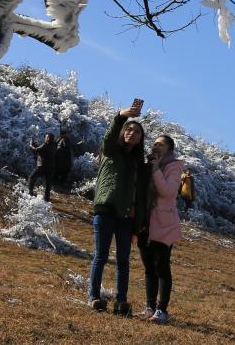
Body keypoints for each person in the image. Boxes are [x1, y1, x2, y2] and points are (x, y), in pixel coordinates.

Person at [89, 101, 145, 316]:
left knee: (123, 260)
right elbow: (110, 135)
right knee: (100, 256)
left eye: (137, 132)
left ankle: (121, 301)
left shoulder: (136, 161)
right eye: (129, 130)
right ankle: (94, 297)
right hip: (105, 209)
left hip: (125, 215)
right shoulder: (111, 150)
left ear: (141, 139)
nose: (132, 133)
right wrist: (121, 116)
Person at [135, 134, 183, 324]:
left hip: (164, 223)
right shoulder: (148, 163)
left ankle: (162, 310)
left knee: (161, 266)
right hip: (145, 222)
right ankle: (149, 307)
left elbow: (168, 192)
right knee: (148, 268)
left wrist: (155, 169)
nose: (156, 146)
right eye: (154, 143)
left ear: (169, 149)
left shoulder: (174, 167)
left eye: (161, 144)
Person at [28, 131, 56, 202]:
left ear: (48, 138)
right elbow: (42, 149)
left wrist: (31, 144)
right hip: (51, 166)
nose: (45, 138)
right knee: (48, 183)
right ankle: (46, 198)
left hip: (42, 166)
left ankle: (30, 193)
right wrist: (37, 145)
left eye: (46, 137)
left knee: (31, 177)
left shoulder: (45, 145)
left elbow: (36, 150)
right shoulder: (54, 145)